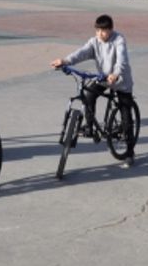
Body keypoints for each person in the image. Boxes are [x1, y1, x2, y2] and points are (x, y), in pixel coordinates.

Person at [51, 14, 136, 167]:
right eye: (98, 31)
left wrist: (115, 74)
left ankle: (130, 152)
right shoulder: (94, 42)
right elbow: (81, 53)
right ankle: (90, 126)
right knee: (88, 94)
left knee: (125, 113)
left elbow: (122, 60)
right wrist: (64, 61)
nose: (100, 34)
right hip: (103, 78)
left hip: (121, 81)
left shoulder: (119, 40)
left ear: (110, 30)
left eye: (103, 31)